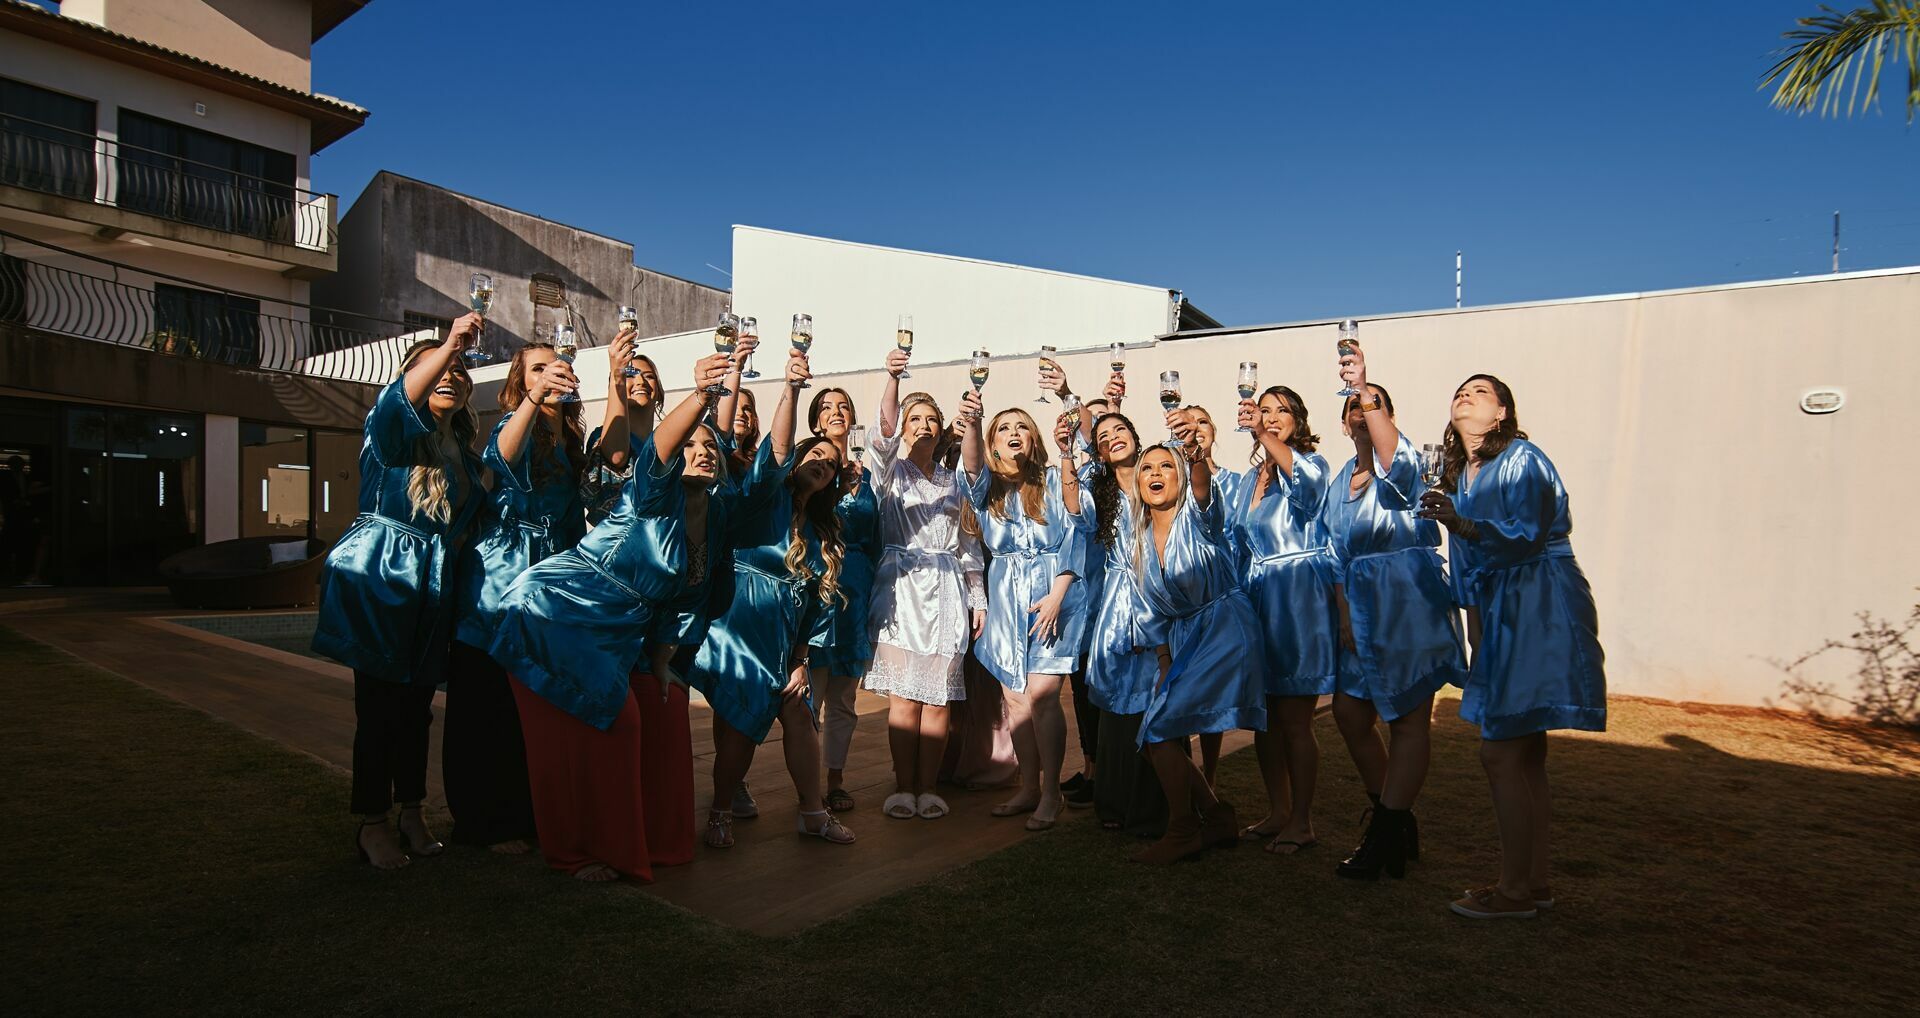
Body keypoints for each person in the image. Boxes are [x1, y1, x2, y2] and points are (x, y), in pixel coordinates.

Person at [487, 353, 734, 882]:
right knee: (603, 728)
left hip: (623, 632)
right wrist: (703, 396)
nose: (702, 451)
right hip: (559, 608)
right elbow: (657, 448)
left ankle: (651, 843)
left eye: (711, 445)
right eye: (691, 444)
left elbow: (687, 603)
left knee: (658, 715)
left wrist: (665, 662)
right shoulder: (651, 491)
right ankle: (574, 852)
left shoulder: (713, 520)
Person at [1419, 374, 1607, 920]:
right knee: (1527, 755)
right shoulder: (1461, 476)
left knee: (1499, 752)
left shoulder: (1523, 458)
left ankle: (1515, 891)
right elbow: (1468, 561)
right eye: (1459, 390)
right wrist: (1476, 628)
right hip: (1502, 610)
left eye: (1479, 392)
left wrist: (1461, 521)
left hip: (1539, 600)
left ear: (1501, 413)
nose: (1464, 395)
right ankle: (1534, 883)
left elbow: (1524, 534)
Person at [314, 317, 487, 870]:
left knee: (417, 710)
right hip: (383, 572)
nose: (451, 375)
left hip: (433, 583)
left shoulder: (464, 453)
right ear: (411, 378)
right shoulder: (388, 431)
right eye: (437, 367)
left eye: (460, 370)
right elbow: (397, 401)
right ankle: (371, 822)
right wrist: (451, 342)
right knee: (380, 708)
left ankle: (411, 811)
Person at [687, 346, 858, 849]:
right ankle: (720, 810)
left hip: (783, 640)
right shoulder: (764, 497)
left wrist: (802, 658)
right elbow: (777, 450)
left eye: (830, 465)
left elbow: (818, 607)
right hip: (739, 625)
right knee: (740, 723)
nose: (823, 465)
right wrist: (791, 387)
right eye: (815, 456)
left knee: (800, 715)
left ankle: (812, 813)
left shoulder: (825, 531)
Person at [1321, 344, 1468, 881]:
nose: (1363, 412)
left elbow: (1393, 457)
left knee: (1408, 717)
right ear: (1343, 423)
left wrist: (1363, 383)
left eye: (1375, 405)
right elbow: (1333, 552)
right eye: (1356, 407)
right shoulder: (1340, 483)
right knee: (1349, 712)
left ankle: (1386, 833)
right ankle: (1393, 815)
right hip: (1357, 607)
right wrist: (1342, 615)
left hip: (1405, 598)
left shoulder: (1401, 465)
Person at [444, 339, 585, 855]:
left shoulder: (570, 441)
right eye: (538, 369)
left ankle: (526, 814)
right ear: (521, 382)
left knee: (528, 708)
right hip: (498, 574)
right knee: (484, 706)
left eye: (556, 367)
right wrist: (534, 401)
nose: (550, 374)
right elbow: (500, 463)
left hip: (547, 580)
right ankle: (480, 823)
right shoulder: (511, 424)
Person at [1129, 425, 1267, 864]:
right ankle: (1214, 814)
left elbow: (1204, 489)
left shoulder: (1200, 517)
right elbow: (1150, 611)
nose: (1156, 473)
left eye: (1166, 466)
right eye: (1147, 467)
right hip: (1183, 638)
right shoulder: (1139, 538)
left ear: (1181, 477)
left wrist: (1194, 457)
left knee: (1159, 730)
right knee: (1155, 734)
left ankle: (1185, 829)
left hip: (1224, 628)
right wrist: (1165, 660)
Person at [864, 350, 988, 819]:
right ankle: (902, 786)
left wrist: (978, 600)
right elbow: (881, 437)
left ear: (942, 429)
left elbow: (969, 545)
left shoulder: (956, 482)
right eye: (915, 418)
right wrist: (893, 377)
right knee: (904, 700)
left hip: (948, 592)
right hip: (899, 591)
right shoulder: (887, 473)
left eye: (931, 418)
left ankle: (928, 788)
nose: (923, 425)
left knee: (938, 698)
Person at [959, 404, 1090, 830]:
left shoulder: (1053, 480)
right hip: (1004, 598)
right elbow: (971, 468)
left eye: (1022, 428)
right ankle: (1029, 786)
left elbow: (1077, 527)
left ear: (1033, 440)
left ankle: (1052, 792)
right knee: (1015, 698)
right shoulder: (987, 491)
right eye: (1004, 430)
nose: (1014, 433)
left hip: (1053, 594)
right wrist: (975, 425)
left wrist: (1059, 593)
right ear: (993, 443)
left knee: (1043, 695)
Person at [1231, 385, 1337, 855]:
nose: (1271, 417)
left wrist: (1260, 432)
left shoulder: (1310, 464)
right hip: (1256, 600)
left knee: (1295, 719)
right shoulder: (1252, 477)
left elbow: (1310, 494)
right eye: (1264, 410)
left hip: (1297, 599)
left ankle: (1302, 820)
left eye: (1281, 411)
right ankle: (1276, 810)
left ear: (1298, 420)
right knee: (1264, 720)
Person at [1077, 409, 1172, 837]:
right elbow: (1068, 507)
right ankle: (1114, 800)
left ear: (1136, 435)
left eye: (1120, 430)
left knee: (1154, 702)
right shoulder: (1096, 494)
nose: (1113, 438)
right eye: (1103, 436)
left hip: (1154, 598)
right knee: (1116, 705)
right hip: (1114, 605)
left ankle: (1160, 805)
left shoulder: (1157, 479)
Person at [806, 386, 882, 814]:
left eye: (844, 407)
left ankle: (836, 778)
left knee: (844, 698)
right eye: (826, 408)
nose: (836, 413)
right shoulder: (810, 469)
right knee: (809, 696)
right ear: (816, 421)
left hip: (855, 590)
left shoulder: (867, 476)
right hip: (818, 587)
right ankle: (807, 781)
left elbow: (876, 539)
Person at [1183, 402, 1241, 784]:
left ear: (1214, 429)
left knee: (1217, 690)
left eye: (1203, 421)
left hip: (1231, 589)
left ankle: (1212, 773)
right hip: (1190, 593)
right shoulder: (1177, 480)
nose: (1197, 428)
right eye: (1188, 424)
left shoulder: (1238, 481)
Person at [581, 333, 657, 528]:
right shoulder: (602, 436)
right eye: (630, 375)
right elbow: (616, 458)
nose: (641, 382)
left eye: (649, 376)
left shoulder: (663, 440)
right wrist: (618, 375)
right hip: (620, 546)